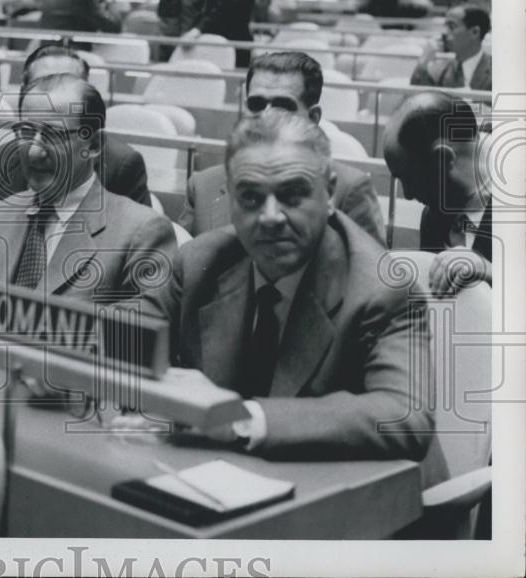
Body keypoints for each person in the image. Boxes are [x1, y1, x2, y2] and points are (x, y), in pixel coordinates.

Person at [160, 112, 443, 479]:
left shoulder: (381, 288)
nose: (270, 217)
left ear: (329, 194)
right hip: (230, 480)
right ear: (229, 198)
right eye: (250, 197)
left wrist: (238, 418)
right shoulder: (199, 262)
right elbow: (127, 359)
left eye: (292, 195)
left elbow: (406, 416)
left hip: (369, 504)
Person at [0, 74, 175, 316]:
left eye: (54, 135)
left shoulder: (142, 233)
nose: (34, 152)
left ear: (94, 146)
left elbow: (135, 339)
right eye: (26, 132)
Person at [179, 51, 385, 245]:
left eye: (283, 105)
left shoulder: (350, 191)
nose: (266, 116)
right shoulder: (203, 186)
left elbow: (372, 278)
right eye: (256, 104)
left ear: (313, 119)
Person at [0, 43, 152, 215]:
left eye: (67, 83)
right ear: (24, 92)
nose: (55, 90)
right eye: (43, 84)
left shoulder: (121, 166)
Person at [383, 92, 492, 296]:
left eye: (409, 179)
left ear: (443, 159)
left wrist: (492, 272)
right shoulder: (434, 212)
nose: (407, 195)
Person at [410, 5, 491, 90]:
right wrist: (423, 62)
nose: (444, 33)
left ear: (475, 32)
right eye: (445, 27)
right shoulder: (439, 71)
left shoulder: (499, 71)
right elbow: (417, 98)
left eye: (451, 27)